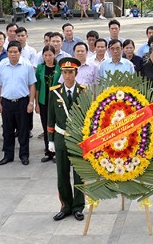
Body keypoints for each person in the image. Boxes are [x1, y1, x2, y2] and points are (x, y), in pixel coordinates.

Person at [48, 57, 86, 222]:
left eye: (71, 72)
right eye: (65, 72)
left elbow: (88, 117)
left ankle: (78, 207)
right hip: (61, 138)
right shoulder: (54, 92)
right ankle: (65, 206)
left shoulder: (84, 92)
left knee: (79, 175)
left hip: (78, 139)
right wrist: (50, 139)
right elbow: (50, 117)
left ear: (76, 73)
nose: (68, 75)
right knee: (62, 174)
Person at [0, 41, 37, 166]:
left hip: (22, 102)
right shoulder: (2, 64)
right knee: (7, 130)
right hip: (6, 102)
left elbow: (32, 85)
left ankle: (24, 155)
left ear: (20, 52)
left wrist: (31, 102)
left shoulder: (27, 65)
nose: (12, 54)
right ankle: (8, 155)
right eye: (10, 52)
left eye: (15, 52)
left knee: (23, 130)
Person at [35, 45, 61, 163]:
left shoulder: (59, 67)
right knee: (46, 127)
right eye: (45, 55)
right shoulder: (40, 68)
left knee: (56, 127)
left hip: (56, 102)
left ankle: (57, 152)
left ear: (54, 55)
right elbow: (37, 87)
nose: (48, 57)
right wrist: (36, 103)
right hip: (43, 101)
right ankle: (48, 151)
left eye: (50, 55)